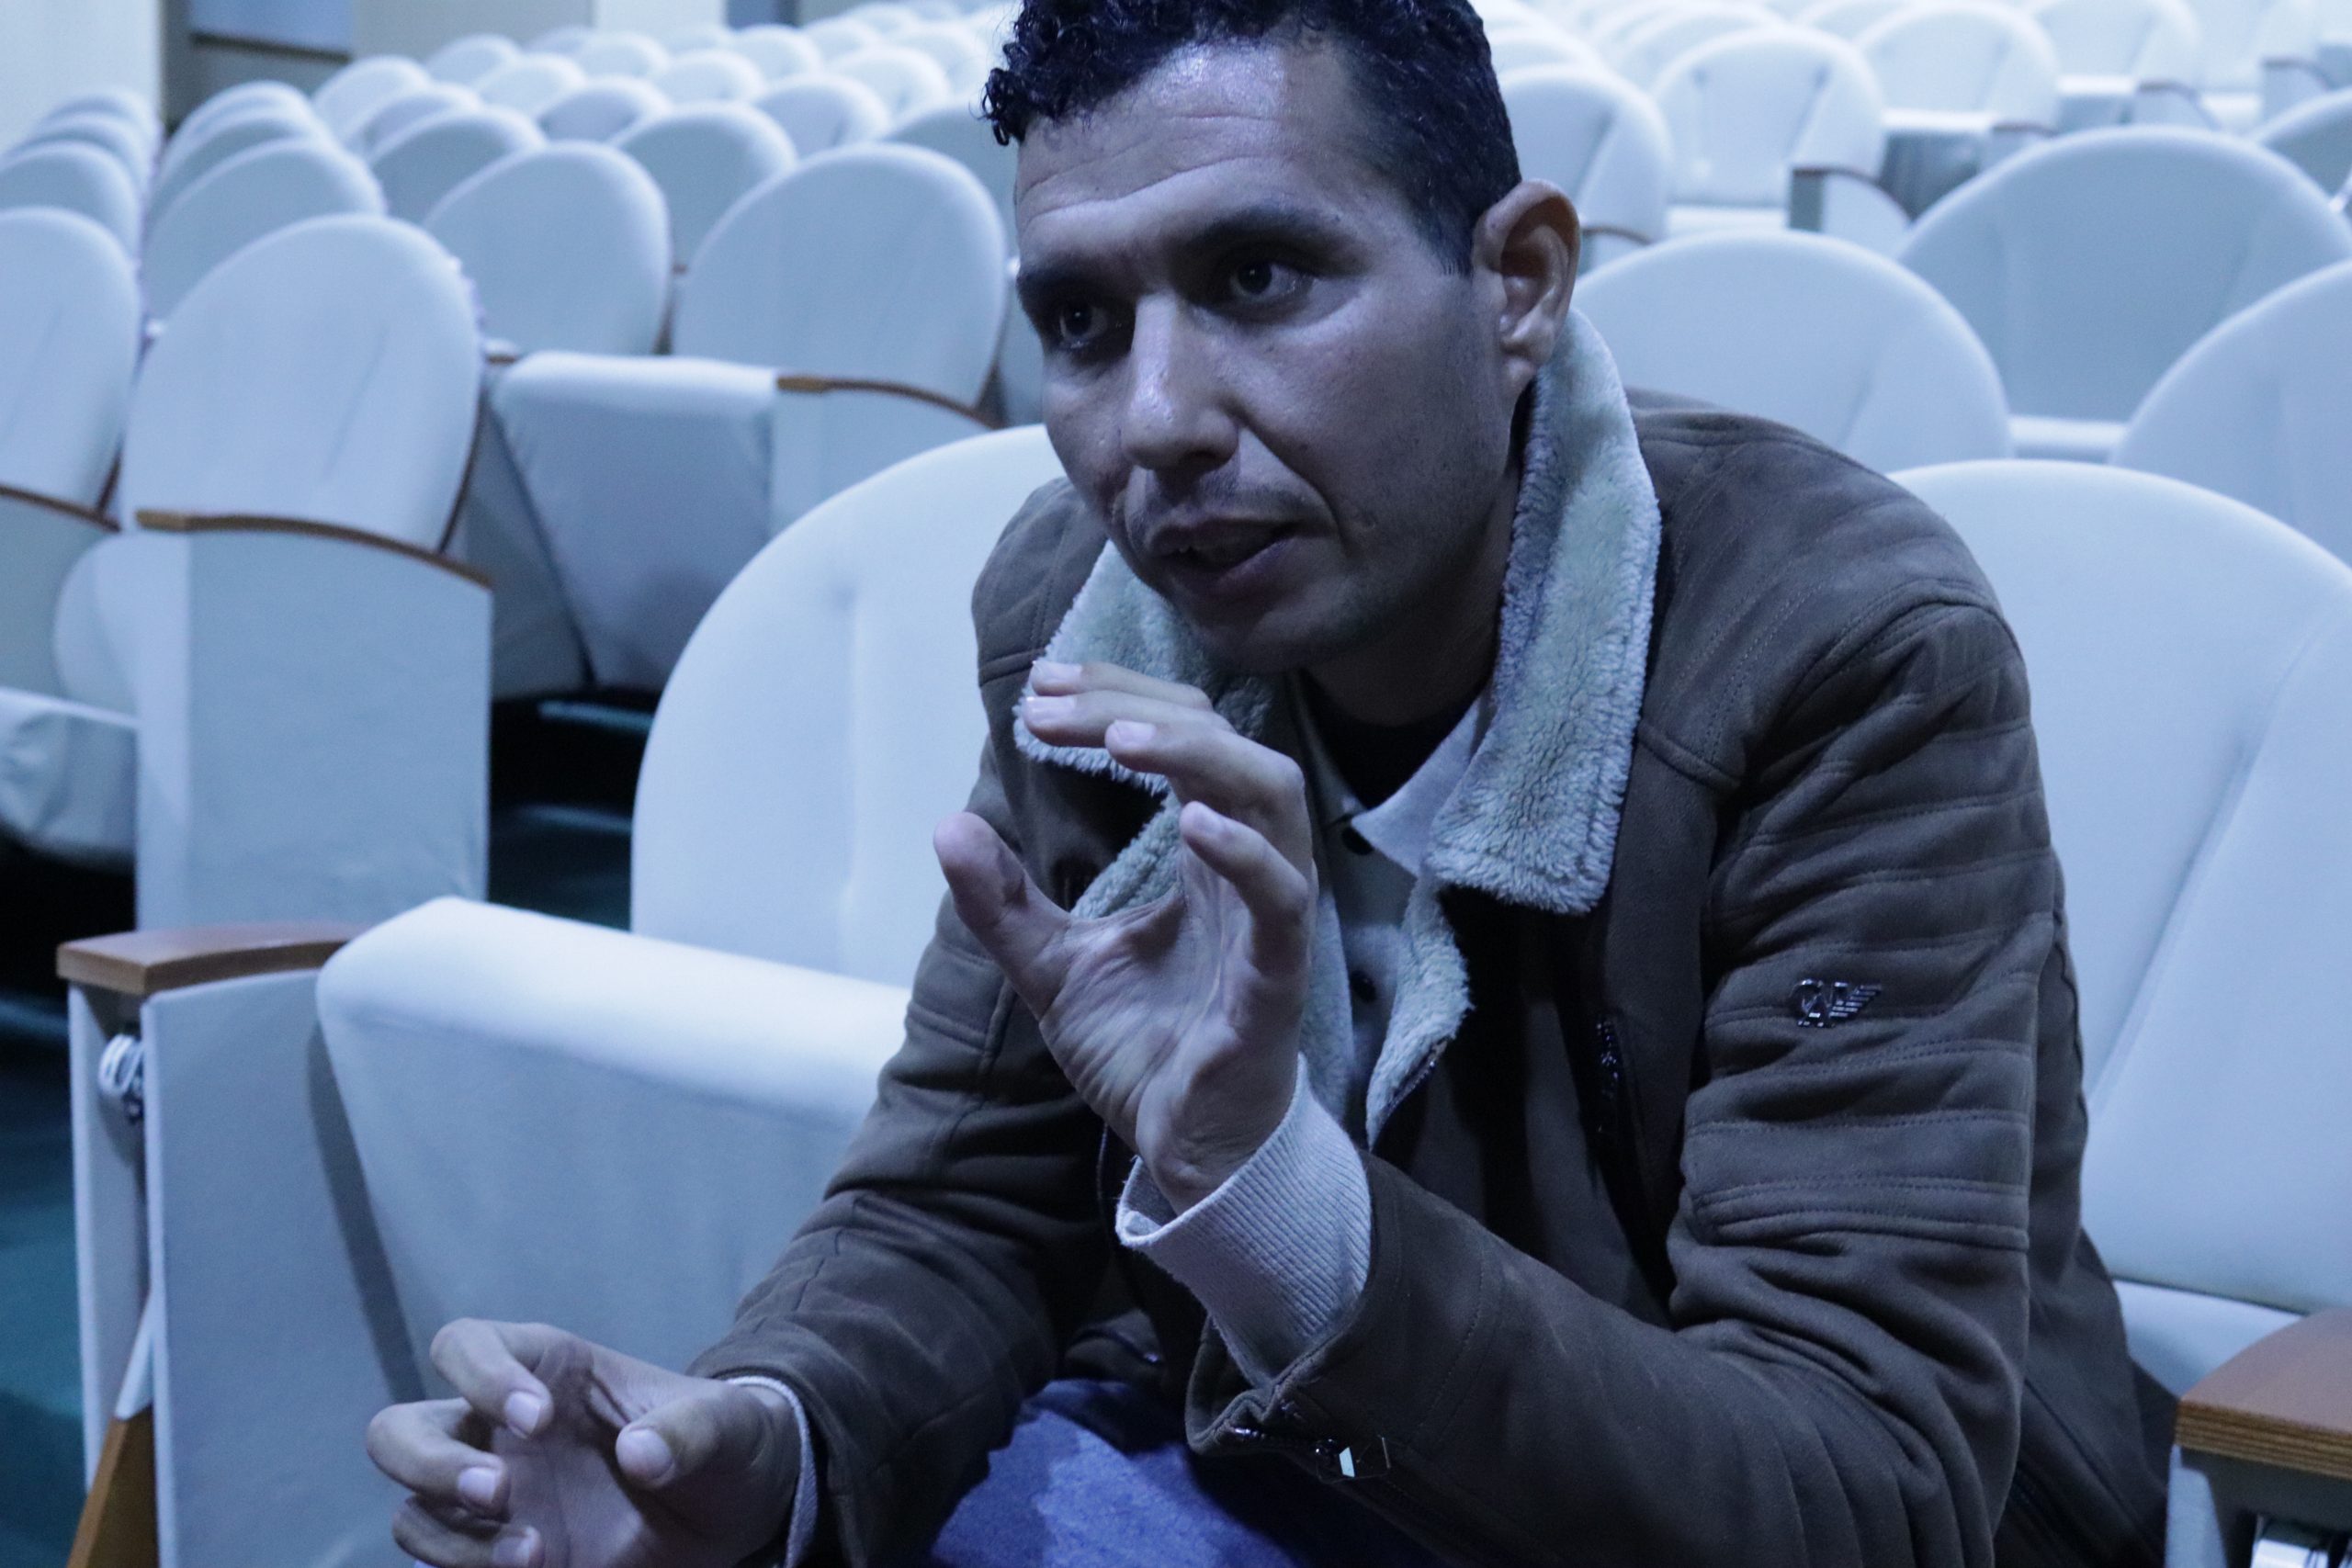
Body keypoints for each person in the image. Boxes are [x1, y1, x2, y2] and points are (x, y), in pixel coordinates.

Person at [364, 3, 2173, 1564]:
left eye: (1257, 277)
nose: (1154, 420)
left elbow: (1861, 1489)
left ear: (1518, 282)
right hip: (1295, 1458)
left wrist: (1273, 1199)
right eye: (1083, 322)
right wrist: (770, 1444)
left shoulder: (1840, 645)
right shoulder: (1079, 618)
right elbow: (967, 1196)